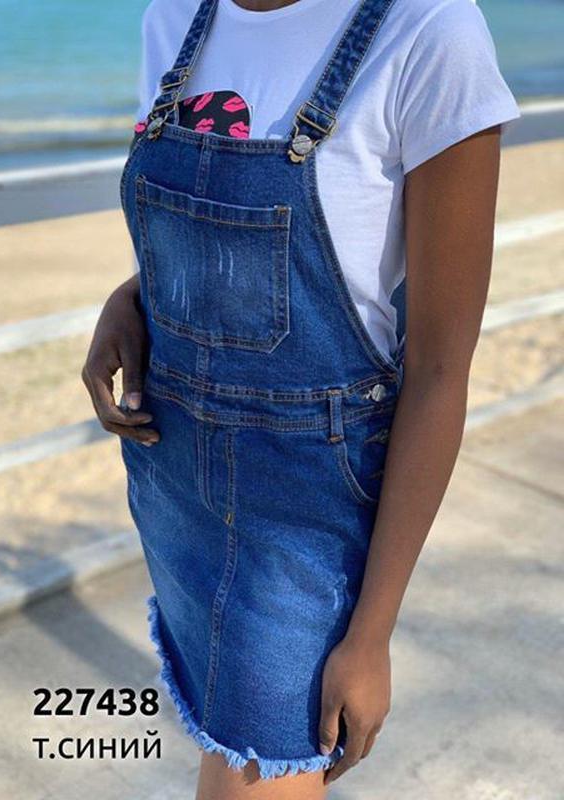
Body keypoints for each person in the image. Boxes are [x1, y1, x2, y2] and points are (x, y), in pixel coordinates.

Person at [82, 0, 520, 797]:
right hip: (174, 492)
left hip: (304, 521)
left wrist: (371, 634)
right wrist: (134, 296)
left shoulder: (429, 31)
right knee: (222, 756)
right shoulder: (173, 18)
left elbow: (438, 371)